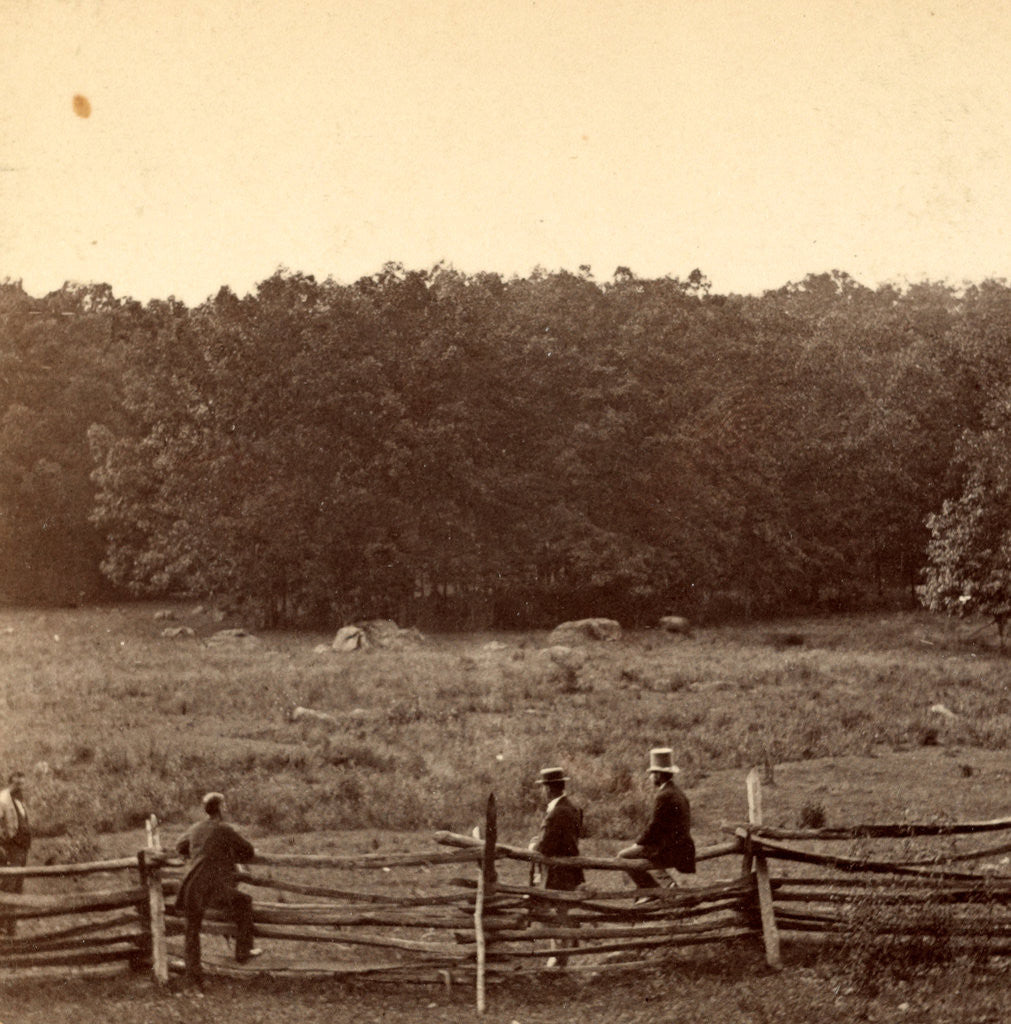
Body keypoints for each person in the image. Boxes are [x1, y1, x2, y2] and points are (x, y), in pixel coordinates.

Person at [175, 792, 261, 989]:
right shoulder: (224, 829)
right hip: (212, 889)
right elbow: (248, 850)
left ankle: (193, 979)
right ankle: (243, 951)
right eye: (225, 805)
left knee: (192, 932)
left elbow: (180, 846)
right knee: (243, 901)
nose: (226, 808)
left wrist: (198, 854)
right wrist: (228, 855)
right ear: (220, 809)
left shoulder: (196, 828)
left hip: (191, 887)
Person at [618, 748, 695, 896]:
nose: (651, 777)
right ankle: (666, 883)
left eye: (652, 773)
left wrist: (638, 843)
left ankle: (649, 890)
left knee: (623, 857)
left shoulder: (664, 795)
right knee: (642, 854)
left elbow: (655, 827)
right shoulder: (678, 792)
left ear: (658, 775)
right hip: (683, 845)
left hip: (670, 848)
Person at [529, 766, 584, 967]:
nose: (543, 791)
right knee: (561, 911)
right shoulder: (572, 807)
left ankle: (559, 956)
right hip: (570, 869)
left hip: (557, 872)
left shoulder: (557, 812)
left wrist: (534, 845)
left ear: (549, 789)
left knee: (554, 913)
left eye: (544, 787)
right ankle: (561, 953)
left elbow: (546, 846)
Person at [0, 771, 31, 937]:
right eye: (16, 784)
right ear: (10, 783)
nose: (20, 787)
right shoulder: (2, 799)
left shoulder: (20, 800)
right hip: (10, 848)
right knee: (8, 887)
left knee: (18, 887)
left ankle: (11, 926)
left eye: (22, 784)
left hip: (22, 848)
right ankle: (2, 926)